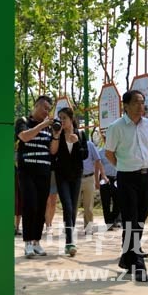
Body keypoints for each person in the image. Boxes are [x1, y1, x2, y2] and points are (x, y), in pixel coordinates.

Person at [105, 90, 148, 282]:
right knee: (131, 220)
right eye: (136, 102)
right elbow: (109, 153)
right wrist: (123, 166)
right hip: (127, 178)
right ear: (125, 106)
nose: (140, 106)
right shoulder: (116, 127)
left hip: (146, 176)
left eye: (142, 102)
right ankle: (137, 263)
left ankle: (127, 257)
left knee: (141, 218)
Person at [15, 95, 55, 258]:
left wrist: (56, 135)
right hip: (27, 171)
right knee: (30, 205)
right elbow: (24, 136)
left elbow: (52, 150)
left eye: (49, 109)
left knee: (40, 207)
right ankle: (28, 243)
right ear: (36, 106)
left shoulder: (49, 128)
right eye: (45, 108)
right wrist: (42, 125)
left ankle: (37, 242)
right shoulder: (23, 121)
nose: (46, 112)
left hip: (44, 171)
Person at [51, 107, 88, 256]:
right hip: (62, 176)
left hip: (76, 176)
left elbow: (84, 155)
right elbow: (52, 153)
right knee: (67, 206)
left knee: (72, 208)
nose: (61, 121)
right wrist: (55, 136)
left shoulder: (81, 134)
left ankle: (70, 238)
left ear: (71, 119)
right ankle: (69, 242)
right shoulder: (57, 135)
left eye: (64, 118)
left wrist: (77, 143)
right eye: (60, 118)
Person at [80, 139, 102, 233]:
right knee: (72, 206)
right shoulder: (70, 143)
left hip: (89, 178)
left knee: (88, 207)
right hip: (75, 179)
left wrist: (97, 180)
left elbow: (98, 160)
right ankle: (69, 228)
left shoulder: (90, 144)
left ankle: (88, 228)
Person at [98, 146, 121, 229]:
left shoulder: (119, 151)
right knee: (105, 202)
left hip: (117, 178)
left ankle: (113, 219)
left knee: (118, 201)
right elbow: (98, 165)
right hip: (104, 178)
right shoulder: (100, 152)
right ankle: (109, 223)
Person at [44, 171, 58, 236]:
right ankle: (48, 226)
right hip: (45, 180)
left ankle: (50, 222)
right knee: (48, 204)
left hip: (55, 180)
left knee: (53, 204)